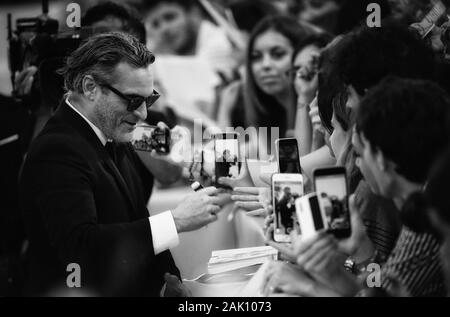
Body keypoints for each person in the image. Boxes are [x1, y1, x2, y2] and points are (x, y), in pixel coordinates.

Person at [19, 32, 227, 296]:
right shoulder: (57, 149)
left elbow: (137, 216)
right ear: (90, 87)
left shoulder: (111, 132)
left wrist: (167, 281)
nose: (142, 113)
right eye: (133, 100)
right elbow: (80, 248)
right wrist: (175, 221)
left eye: (148, 100)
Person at [263, 77, 450, 297]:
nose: (358, 164)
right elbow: (376, 290)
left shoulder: (427, 221)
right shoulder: (422, 204)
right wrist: (361, 253)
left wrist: (310, 286)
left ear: (379, 157)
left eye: (360, 154)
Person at [217, 15, 313, 159]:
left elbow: (297, 169)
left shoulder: (316, 112)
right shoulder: (269, 117)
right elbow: (229, 163)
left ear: (301, 57)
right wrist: (225, 110)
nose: (265, 65)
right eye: (256, 57)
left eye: (277, 54)